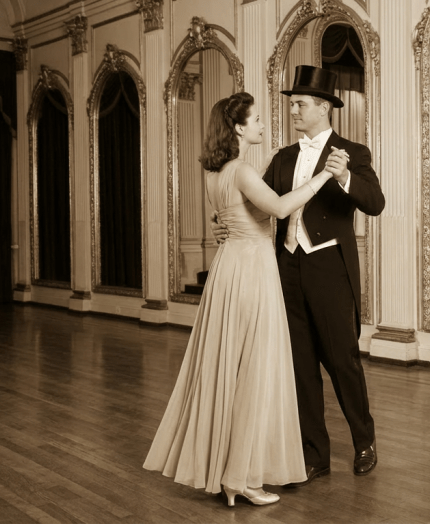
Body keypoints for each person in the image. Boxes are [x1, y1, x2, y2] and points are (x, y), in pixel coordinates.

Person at [144, 92, 332, 507]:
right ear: (239, 128)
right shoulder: (242, 170)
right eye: (258, 119)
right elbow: (280, 208)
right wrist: (323, 177)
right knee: (254, 372)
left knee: (232, 369)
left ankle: (234, 473)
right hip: (251, 272)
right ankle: (241, 477)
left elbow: (229, 217)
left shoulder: (215, 172)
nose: (264, 124)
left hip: (230, 269)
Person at [213, 65, 385, 485]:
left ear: (323, 108)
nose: (293, 110)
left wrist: (343, 176)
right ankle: (314, 454)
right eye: (292, 103)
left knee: (342, 360)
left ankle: (364, 441)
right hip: (286, 268)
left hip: (329, 268)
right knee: (300, 365)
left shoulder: (353, 152)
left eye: (300, 104)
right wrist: (227, 222)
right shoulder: (284, 157)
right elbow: (261, 204)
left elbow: (376, 203)